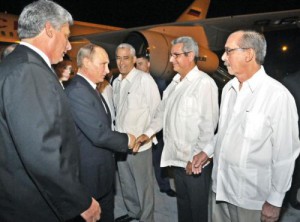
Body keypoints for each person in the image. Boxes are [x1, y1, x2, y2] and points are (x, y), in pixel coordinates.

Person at [0, 1, 100, 222]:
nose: (69, 46)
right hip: (34, 206)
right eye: (66, 36)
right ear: (48, 29)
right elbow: (41, 151)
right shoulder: (29, 71)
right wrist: (78, 200)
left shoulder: (17, 64)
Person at [192, 30, 300, 222]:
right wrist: (207, 151)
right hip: (221, 190)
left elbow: (285, 154)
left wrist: (275, 200)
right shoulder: (228, 89)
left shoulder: (278, 96)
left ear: (249, 54)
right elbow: (225, 132)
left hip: (252, 200)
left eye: (228, 51)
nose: (223, 57)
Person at [136, 36, 219, 222]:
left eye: (175, 55)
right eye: (171, 55)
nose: (171, 60)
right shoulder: (174, 84)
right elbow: (161, 114)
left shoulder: (204, 84)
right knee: (183, 207)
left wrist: (196, 158)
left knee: (197, 212)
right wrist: (147, 133)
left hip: (195, 163)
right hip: (178, 160)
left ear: (190, 56)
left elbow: (208, 127)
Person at [65, 43, 136, 222]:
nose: (107, 69)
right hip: (89, 177)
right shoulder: (77, 91)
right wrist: (127, 139)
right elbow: (99, 134)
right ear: (86, 62)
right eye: (102, 64)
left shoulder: (90, 87)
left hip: (101, 174)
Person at [113, 43, 161, 222]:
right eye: (118, 58)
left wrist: (147, 134)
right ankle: (133, 213)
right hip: (121, 144)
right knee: (126, 184)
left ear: (134, 60)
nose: (121, 62)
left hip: (140, 145)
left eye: (126, 58)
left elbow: (159, 112)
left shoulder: (144, 80)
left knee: (144, 187)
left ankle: (147, 219)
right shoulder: (116, 82)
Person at [136, 54, 176, 197]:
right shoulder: (134, 82)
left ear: (148, 65)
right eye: (136, 64)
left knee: (159, 159)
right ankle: (143, 190)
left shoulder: (159, 82)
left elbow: (164, 106)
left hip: (157, 129)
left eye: (141, 63)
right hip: (141, 129)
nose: (138, 67)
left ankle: (164, 186)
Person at [282, 70, 300, 210]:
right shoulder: (290, 83)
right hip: (292, 137)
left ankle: (292, 197)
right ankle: (287, 200)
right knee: (290, 170)